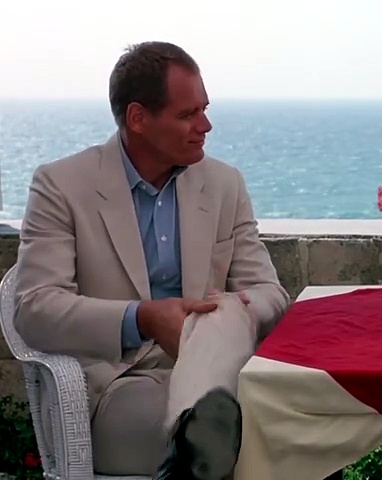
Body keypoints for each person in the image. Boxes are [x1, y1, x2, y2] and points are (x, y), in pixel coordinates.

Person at [12, 41, 306, 479]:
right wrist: (143, 319)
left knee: (290, 424)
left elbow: (270, 293)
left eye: (204, 109)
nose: (205, 125)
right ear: (138, 118)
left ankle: (200, 429)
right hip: (119, 386)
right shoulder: (62, 185)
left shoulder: (224, 185)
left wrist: (232, 314)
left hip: (223, 372)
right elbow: (34, 309)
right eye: (188, 114)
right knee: (247, 433)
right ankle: (198, 430)